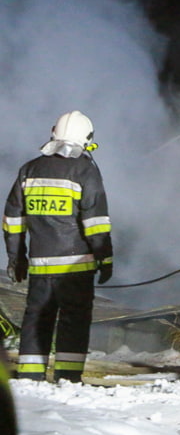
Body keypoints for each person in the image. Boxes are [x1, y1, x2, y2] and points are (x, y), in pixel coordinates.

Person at [3, 110, 113, 383]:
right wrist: (106, 259)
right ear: (86, 139)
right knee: (73, 320)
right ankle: (68, 378)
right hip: (77, 267)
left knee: (37, 317)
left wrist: (17, 258)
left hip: (40, 266)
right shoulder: (85, 170)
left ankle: (30, 377)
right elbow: (96, 223)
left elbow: (13, 220)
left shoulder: (29, 170)